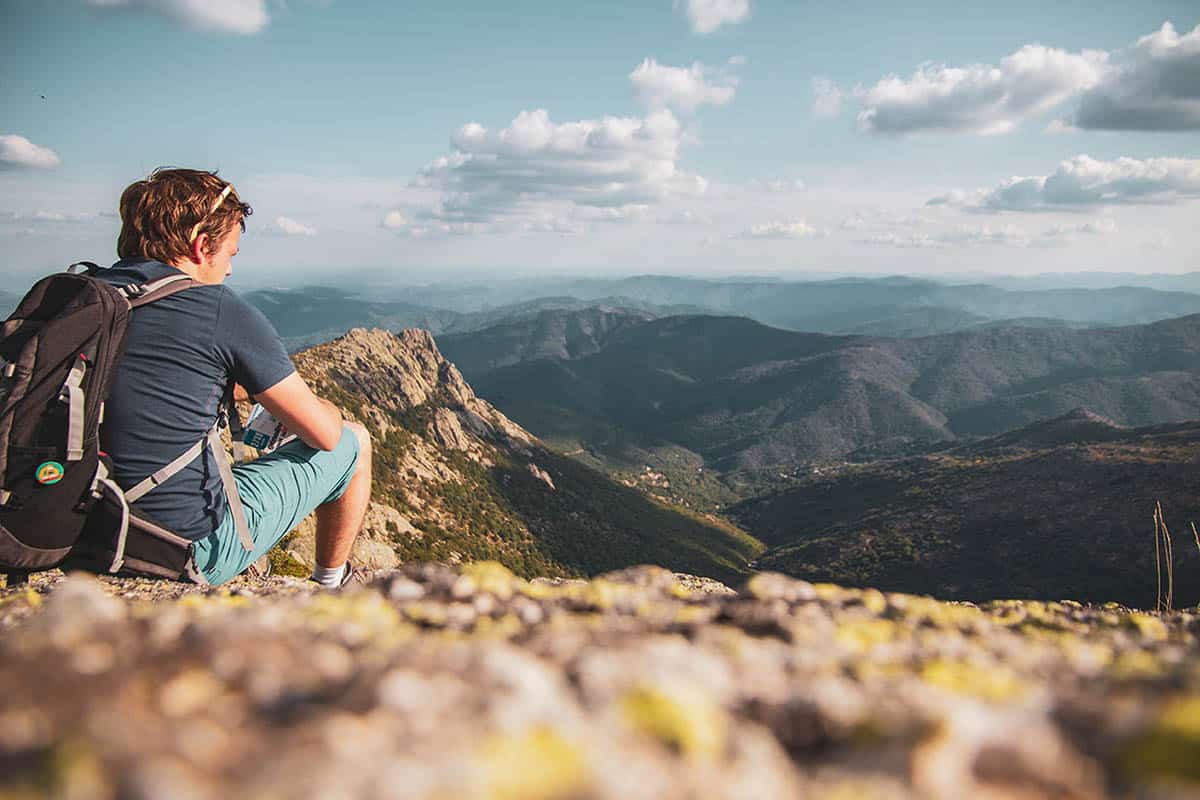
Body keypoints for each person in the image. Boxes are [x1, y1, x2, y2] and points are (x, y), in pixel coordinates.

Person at [99, 167, 371, 587]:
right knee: (354, 440)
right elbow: (326, 437)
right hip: (180, 547)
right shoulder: (215, 308)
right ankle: (331, 585)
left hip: (71, 527)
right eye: (230, 255)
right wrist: (328, 407)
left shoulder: (83, 299)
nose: (228, 272)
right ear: (201, 245)